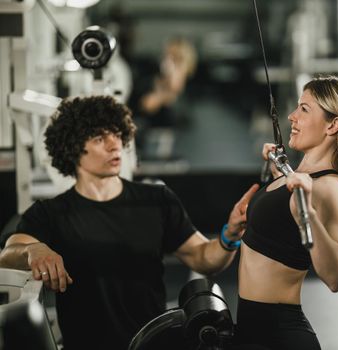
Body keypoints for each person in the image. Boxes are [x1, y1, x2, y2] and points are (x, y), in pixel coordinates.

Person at [0, 95, 258, 350]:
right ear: (73, 148)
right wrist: (34, 251)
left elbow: (204, 258)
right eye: (100, 138)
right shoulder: (51, 213)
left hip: (152, 343)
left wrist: (230, 234)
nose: (114, 145)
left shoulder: (156, 200)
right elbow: (9, 253)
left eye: (116, 134)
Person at [234, 76, 338, 350]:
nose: (291, 116)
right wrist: (274, 173)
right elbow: (279, 225)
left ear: (333, 124)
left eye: (304, 109)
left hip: (279, 336)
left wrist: (309, 214)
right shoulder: (298, 176)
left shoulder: (327, 187)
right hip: (251, 329)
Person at [128, 38, 198, 159]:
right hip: (144, 150)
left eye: (176, 59)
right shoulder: (147, 82)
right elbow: (147, 105)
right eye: (167, 56)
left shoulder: (191, 96)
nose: (168, 63)